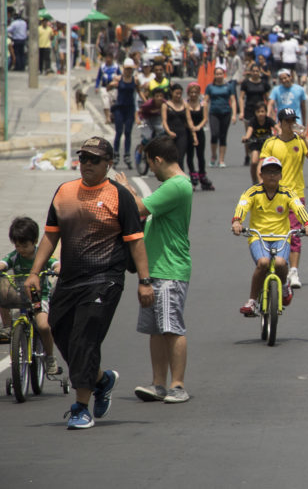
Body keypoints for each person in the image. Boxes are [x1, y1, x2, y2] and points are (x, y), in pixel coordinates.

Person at [24, 137, 153, 430]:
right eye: (83, 158)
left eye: (94, 160)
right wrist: (34, 272)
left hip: (104, 279)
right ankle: (100, 379)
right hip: (69, 280)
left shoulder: (118, 196)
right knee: (59, 331)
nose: (87, 164)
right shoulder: (64, 192)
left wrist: (145, 282)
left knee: (85, 338)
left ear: (108, 164)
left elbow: (136, 242)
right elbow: (50, 235)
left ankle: (81, 407)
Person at [116, 136, 193, 404]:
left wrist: (125, 189)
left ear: (158, 160)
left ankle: (178, 385)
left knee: (172, 327)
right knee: (156, 329)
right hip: (156, 268)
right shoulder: (172, 186)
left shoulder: (177, 185)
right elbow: (144, 212)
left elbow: (139, 208)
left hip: (170, 267)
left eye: (151, 165)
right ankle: (158, 384)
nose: (152, 171)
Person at [232, 156, 308, 315]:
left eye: (275, 172)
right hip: (259, 237)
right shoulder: (253, 192)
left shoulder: (287, 193)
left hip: (281, 237)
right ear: (261, 175)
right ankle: (252, 302)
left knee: (280, 263)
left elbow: (299, 208)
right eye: (268, 172)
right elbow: (242, 206)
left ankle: (284, 286)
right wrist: (237, 221)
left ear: (281, 175)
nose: (272, 175)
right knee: (263, 263)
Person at [259, 109, 308, 288]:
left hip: (295, 195)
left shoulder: (300, 143)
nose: (291, 124)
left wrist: (306, 139)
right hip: (273, 194)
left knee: (293, 233)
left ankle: (293, 271)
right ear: (280, 123)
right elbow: (261, 167)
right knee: (272, 232)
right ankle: (274, 267)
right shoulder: (271, 143)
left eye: (293, 120)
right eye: (287, 121)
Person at [0, 217, 61, 374]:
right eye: (17, 245)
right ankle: (7, 326)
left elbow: (54, 262)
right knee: (2, 294)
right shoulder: (15, 256)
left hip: (37, 296)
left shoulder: (41, 256)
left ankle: (49, 357)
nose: (21, 249)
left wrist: (58, 268)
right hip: (20, 294)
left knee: (43, 326)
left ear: (34, 241)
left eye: (25, 245)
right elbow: (4, 263)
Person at [205, 66, 238, 168]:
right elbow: (206, 101)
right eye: (217, 74)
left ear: (223, 75)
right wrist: (204, 116)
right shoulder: (210, 87)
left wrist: (234, 115)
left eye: (220, 74)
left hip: (226, 113)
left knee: (223, 136)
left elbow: (233, 100)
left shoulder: (229, 86)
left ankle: (221, 160)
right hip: (214, 113)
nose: (219, 76)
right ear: (214, 75)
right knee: (214, 134)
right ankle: (214, 155)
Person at [184, 83, 214, 191]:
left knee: (200, 155)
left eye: (195, 92)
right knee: (190, 155)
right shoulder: (186, 104)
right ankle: (193, 174)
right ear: (188, 93)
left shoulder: (203, 104)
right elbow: (186, 119)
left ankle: (202, 174)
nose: (193, 94)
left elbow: (205, 118)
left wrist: (198, 127)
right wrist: (192, 128)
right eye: (191, 92)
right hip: (188, 131)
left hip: (199, 131)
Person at [111, 58, 139, 169]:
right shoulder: (119, 79)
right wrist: (111, 85)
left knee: (128, 132)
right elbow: (108, 87)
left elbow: (139, 91)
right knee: (118, 132)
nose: (128, 71)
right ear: (124, 69)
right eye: (127, 69)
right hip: (119, 109)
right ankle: (116, 154)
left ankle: (127, 154)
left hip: (129, 109)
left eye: (130, 69)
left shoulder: (135, 80)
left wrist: (146, 101)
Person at [161, 84, 195, 172]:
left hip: (182, 134)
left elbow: (189, 120)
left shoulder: (185, 105)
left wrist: (194, 134)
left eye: (180, 94)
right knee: (170, 159)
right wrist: (169, 132)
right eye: (176, 93)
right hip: (170, 134)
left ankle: (180, 178)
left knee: (180, 158)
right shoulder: (165, 105)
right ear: (172, 92)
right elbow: (164, 121)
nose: (178, 96)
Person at [242, 102, 276, 184]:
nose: (260, 114)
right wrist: (246, 137)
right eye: (258, 112)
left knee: (270, 162)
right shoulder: (253, 121)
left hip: (267, 144)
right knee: (254, 162)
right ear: (255, 113)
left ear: (266, 112)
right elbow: (249, 131)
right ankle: (254, 181)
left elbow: (277, 129)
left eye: (262, 111)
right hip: (255, 143)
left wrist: (280, 134)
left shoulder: (269, 120)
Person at [96, 52, 121, 125]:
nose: (108, 60)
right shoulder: (102, 67)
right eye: (107, 58)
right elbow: (98, 77)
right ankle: (107, 118)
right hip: (104, 87)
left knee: (113, 103)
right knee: (105, 102)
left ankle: (112, 116)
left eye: (109, 58)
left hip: (114, 87)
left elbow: (120, 76)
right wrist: (97, 86)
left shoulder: (116, 67)